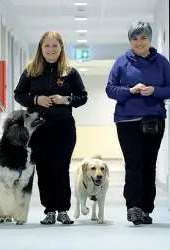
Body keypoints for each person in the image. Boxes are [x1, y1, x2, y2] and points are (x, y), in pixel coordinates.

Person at [14, 31, 88, 225]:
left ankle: (63, 209)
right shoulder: (31, 69)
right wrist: (36, 99)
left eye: (55, 45)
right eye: (47, 46)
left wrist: (67, 99)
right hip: (39, 129)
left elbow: (83, 96)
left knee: (61, 168)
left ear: (61, 47)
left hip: (63, 127)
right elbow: (18, 94)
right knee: (44, 169)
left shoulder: (69, 71)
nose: (51, 49)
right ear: (41, 48)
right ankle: (49, 211)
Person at [105, 21, 170, 225]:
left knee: (149, 164)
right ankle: (133, 206)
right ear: (130, 40)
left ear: (149, 39)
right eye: (135, 38)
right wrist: (130, 90)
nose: (139, 42)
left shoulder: (161, 62)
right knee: (133, 164)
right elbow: (110, 89)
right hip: (127, 120)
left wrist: (155, 91)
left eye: (143, 38)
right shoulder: (121, 61)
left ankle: (145, 208)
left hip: (154, 119)